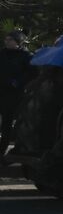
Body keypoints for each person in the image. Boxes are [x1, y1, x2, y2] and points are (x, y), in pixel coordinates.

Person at [0, 30, 34, 159]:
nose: (7, 42)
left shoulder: (25, 56)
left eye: (10, 40)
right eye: (6, 39)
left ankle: (3, 150)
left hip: (15, 94)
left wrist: (18, 82)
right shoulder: (2, 54)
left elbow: (31, 73)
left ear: (18, 42)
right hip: (1, 91)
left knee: (8, 123)